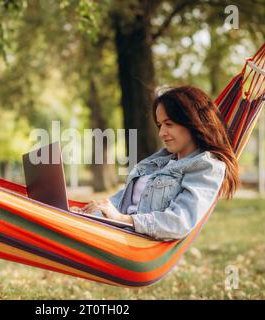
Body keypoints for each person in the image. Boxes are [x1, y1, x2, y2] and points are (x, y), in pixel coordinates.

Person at [81, 85, 240, 240]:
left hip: (135, 244)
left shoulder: (206, 167)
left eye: (169, 124)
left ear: (193, 122)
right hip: (116, 233)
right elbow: (120, 203)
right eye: (159, 125)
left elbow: (180, 222)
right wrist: (87, 214)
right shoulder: (160, 161)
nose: (162, 133)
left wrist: (123, 220)